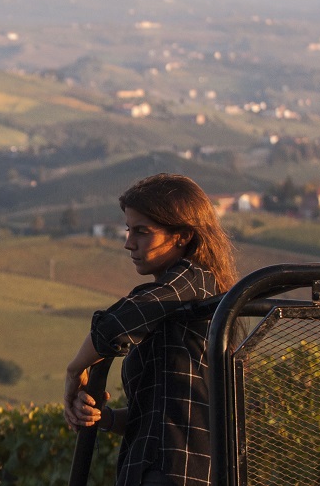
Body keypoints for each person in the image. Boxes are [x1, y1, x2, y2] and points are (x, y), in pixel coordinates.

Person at [62, 173, 237, 486]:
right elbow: (166, 414)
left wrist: (75, 370)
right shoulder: (178, 303)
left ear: (182, 235)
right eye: (129, 230)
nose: (129, 243)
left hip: (175, 475)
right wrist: (106, 418)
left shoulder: (193, 281)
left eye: (142, 232)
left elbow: (118, 324)